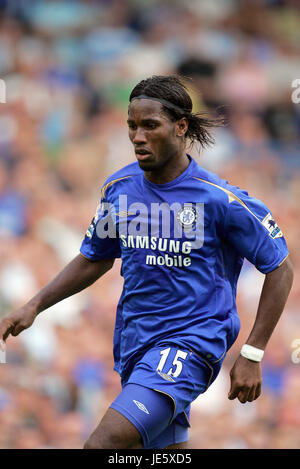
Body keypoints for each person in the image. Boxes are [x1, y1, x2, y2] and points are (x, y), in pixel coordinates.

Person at [0, 75, 293, 449]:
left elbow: (280, 268)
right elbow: (95, 257)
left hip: (190, 344)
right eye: (132, 126)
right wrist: (33, 306)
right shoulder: (119, 189)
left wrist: (253, 352)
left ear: (180, 127)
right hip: (136, 346)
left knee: (101, 444)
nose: (138, 136)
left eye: (150, 126)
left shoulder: (220, 200)